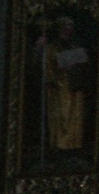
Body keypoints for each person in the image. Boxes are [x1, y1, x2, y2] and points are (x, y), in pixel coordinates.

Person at [36, 16, 90, 154]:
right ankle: (60, 146)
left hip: (75, 84)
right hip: (60, 86)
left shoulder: (75, 46)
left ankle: (74, 145)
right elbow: (46, 67)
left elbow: (83, 64)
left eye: (71, 26)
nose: (69, 29)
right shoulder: (51, 48)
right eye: (66, 26)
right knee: (62, 116)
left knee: (75, 115)